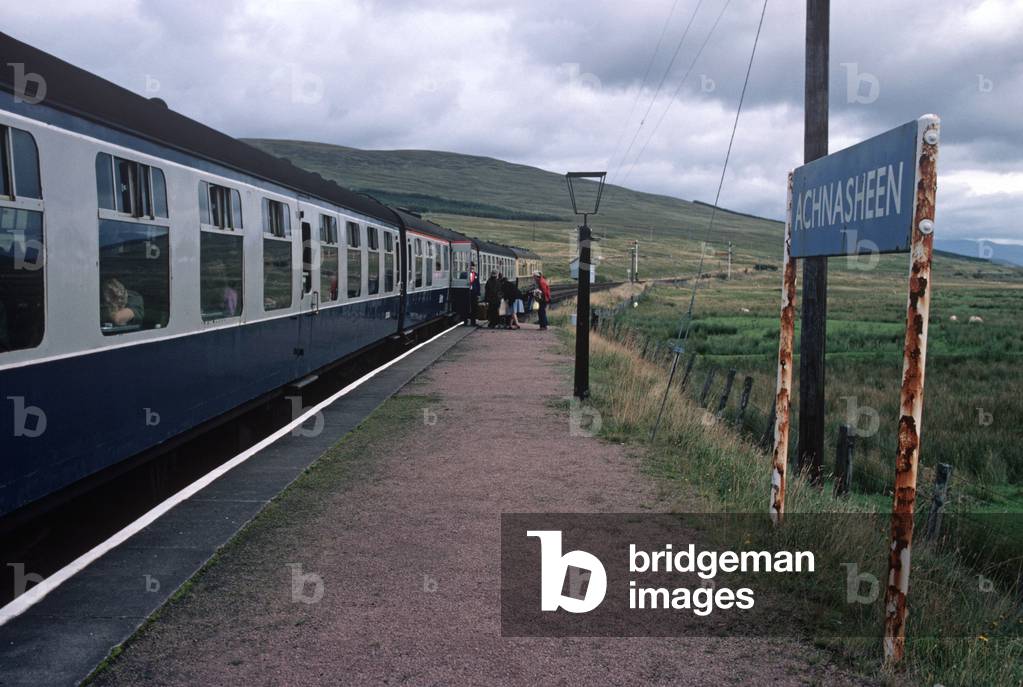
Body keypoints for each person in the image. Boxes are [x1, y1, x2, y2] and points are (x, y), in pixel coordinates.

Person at [467, 262, 480, 326]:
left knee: (474, 307)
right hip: (467, 293)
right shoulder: (464, 274)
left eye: (473, 267)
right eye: (471, 267)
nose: (472, 268)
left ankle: (473, 321)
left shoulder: (476, 275)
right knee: (466, 307)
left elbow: (478, 284)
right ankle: (465, 320)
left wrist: (478, 293)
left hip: (474, 293)